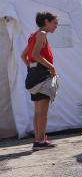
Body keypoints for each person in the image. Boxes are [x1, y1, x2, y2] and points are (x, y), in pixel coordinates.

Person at [21, 12, 59, 151]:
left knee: (37, 111)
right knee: (42, 112)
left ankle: (38, 140)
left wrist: (31, 68)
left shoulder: (33, 35)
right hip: (42, 76)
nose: (56, 26)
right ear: (46, 21)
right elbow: (36, 54)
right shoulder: (42, 34)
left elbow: (23, 56)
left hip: (34, 76)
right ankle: (40, 141)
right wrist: (51, 67)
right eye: (54, 23)